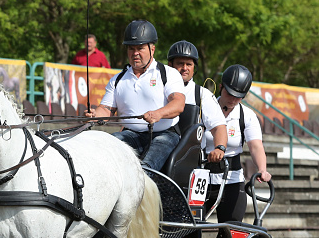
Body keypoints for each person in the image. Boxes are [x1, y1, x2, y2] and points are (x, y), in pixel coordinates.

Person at [85, 20, 185, 171]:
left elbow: (178, 104)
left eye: (140, 48)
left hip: (164, 135)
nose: (135, 53)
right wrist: (95, 115)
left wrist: (158, 114)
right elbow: (106, 110)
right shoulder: (118, 79)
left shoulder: (168, 74)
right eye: (131, 49)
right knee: (104, 150)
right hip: (131, 135)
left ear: (153, 49)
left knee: (145, 168)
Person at [203, 64, 272, 223]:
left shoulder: (247, 116)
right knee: (191, 230)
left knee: (232, 231)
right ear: (221, 87)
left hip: (231, 180)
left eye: (238, 96)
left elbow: (256, 146)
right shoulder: (205, 109)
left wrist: (262, 169)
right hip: (202, 179)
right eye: (230, 93)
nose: (233, 100)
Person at [166, 40, 227, 164]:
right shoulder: (157, 89)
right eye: (180, 64)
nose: (184, 68)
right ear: (169, 65)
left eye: (189, 64)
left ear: (194, 68)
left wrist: (220, 148)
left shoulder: (203, 94)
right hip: (162, 151)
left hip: (191, 160)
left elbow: (219, 127)